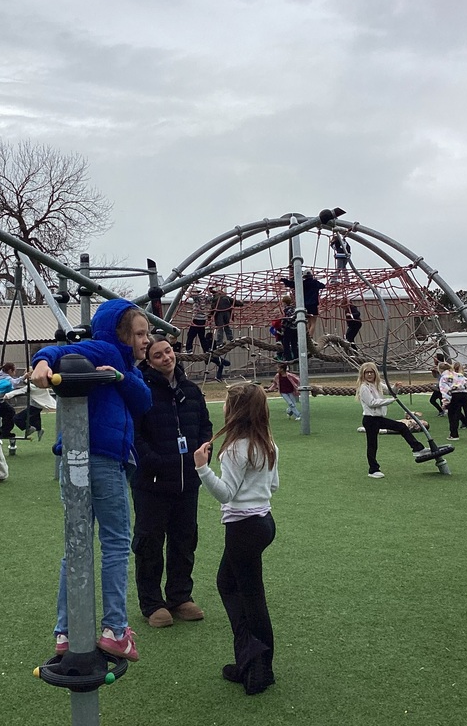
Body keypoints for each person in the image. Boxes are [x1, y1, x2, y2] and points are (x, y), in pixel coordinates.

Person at [30, 297, 151, 662]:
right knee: (115, 541)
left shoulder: (124, 363)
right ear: (121, 333)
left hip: (81, 460)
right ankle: (115, 629)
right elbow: (58, 349)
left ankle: (65, 631)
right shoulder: (106, 348)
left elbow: (143, 401)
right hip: (102, 460)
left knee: (77, 544)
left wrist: (121, 376)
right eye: (140, 333)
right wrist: (41, 362)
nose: (147, 339)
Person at [192, 383, 279, 695]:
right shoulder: (268, 443)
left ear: (234, 411)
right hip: (264, 523)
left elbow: (225, 493)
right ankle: (250, 659)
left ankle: (259, 667)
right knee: (228, 583)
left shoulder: (234, 450)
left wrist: (202, 469)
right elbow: (274, 486)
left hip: (242, 528)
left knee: (251, 597)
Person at [132, 335, 213, 629]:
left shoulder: (191, 390)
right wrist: (153, 460)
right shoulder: (141, 390)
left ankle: (180, 596)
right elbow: (134, 434)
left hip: (187, 481)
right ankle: (152, 603)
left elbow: (205, 424)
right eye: (158, 355)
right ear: (148, 361)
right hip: (152, 482)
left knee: (184, 539)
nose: (166, 357)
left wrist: (204, 450)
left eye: (168, 351)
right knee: (149, 542)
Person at [356, 362, 430, 479]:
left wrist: (395, 387)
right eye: (367, 373)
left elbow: (391, 392)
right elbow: (372, 403)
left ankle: (417, 448)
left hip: (378, 418)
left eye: (371, 372)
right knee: (372, 445)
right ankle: (373, 470)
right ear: (363, 374)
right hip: (370, 420)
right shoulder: (364, 387)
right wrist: (390, 401)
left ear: (375, 373)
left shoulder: (378, 384)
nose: (369, 375)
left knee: (402, 426)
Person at [280, 270, 325, 338]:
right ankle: (310, 337)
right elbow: (323, 286)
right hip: (313, 305)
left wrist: (284, 280)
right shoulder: (315, 283)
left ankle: (306, 337)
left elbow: (292, 284)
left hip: (304, 305)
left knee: (306, 321)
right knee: (313, 323)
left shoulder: (302, 283)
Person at [185, 287, 210, 354]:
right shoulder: (203, 297)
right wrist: (209, 292)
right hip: (203, 319)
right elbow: (210, 298)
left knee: (190, 335)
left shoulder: (197, 297)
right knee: (201, 336)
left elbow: (187, 294)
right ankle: (206, 349)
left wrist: (188, 291)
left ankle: (189, 349)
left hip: (197, 319)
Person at [279, 296, 298, 362]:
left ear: (284, 302)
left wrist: (282, 325)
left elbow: (288, 319)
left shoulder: (287, 310)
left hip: (289, 328)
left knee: (286, 344)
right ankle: (296, 357)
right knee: (294, 344)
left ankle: (288, 358)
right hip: (295, 328)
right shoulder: (294, 309)